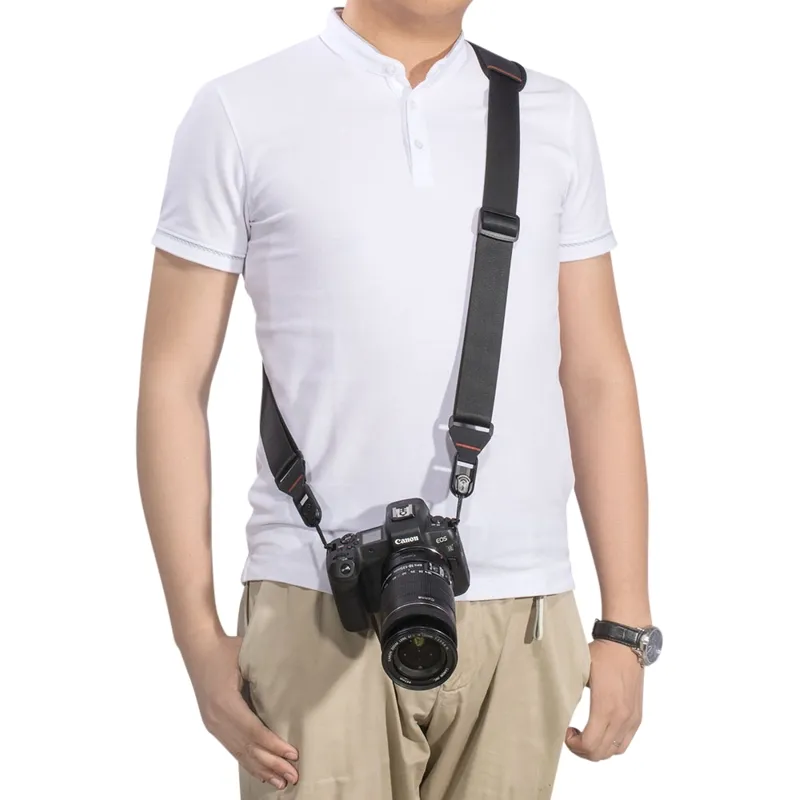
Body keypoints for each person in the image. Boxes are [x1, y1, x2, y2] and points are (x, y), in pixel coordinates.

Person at [137, 2, 661, 798]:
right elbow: (172, 383)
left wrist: (626, 624)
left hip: (523, 611)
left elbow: (596, 374)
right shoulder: (241, 111)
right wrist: (196, 638)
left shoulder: (550, 114)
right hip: (318, 599)